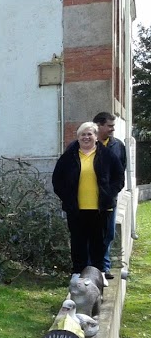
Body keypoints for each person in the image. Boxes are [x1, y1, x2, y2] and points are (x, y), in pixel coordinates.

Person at [52, 121, 123, 282]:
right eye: (82, 134)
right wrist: (67, 197)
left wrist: (109, 194)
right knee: (78, 241)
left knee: (99, 241)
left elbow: (119, 177)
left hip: (101, 208)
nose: (86, 137)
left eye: (89, 134)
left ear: (96, 136)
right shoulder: (69, 157)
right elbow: (57, 180)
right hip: (76, 208)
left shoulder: (107, 155)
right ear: (78, 137)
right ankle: (78, 272)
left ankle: (99, 272)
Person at [91, 112, 127, 280]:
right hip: (88, 198)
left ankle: (104, 267)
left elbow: (120, 171)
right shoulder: (86, 144)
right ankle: (90, 268)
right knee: (90, 233)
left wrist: (111, 192)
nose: (113, 129)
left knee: (108, 233)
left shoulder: (117, 145)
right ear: (98, 126)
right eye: (110, 126)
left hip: (109, 198)